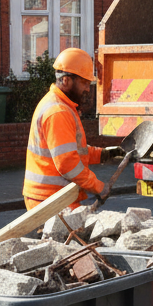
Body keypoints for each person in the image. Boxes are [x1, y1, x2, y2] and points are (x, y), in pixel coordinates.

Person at [23, 48, 122, 210]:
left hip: (52, 197)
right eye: (84, 83)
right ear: (66, 81)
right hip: (50, 200)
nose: (88, 89)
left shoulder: (62, 106)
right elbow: (67, 163)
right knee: (79, 234)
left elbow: (73, 151)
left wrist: (103, 154)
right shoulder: (58, 111)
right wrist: (98, 186)